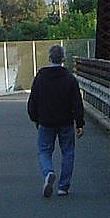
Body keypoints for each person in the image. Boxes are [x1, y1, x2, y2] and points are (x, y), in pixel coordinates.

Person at [27, 44, 85, 197]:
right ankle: (63, 187)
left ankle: (48, 172)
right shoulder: (69, 78)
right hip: (65, 122)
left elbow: (33, 100)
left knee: (44, 151)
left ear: (49, 58)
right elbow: (77, 103)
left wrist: (34, 118)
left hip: (45, 121)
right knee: (68, 153)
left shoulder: (41, 76)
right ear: (63, 59)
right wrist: (79, 123)